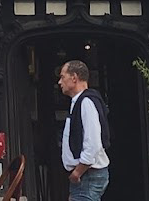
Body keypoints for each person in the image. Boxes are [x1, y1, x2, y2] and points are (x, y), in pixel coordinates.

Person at [58, 60, 110, 201]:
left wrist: (78, 172)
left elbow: (92, 142)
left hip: (87, 175)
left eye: (63, 77)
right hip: (86, 176)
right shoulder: (80, 102)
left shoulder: (86, 102)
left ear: (74, 78)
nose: (59, 82)